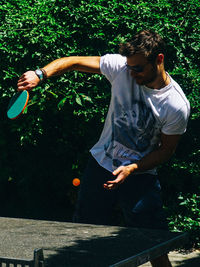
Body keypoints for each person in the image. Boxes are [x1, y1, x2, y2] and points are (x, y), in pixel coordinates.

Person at [16, 30, 190, 267]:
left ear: (159, 59)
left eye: (138, 68)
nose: (132, 73)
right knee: (83, 235)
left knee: (154, 245)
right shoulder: (122, 68)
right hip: (101, 165)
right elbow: (74, 62)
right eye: (130, 67)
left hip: (139, 176)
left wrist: (133, 168)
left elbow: (166, 150)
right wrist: (40, 74)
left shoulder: (175, 105)